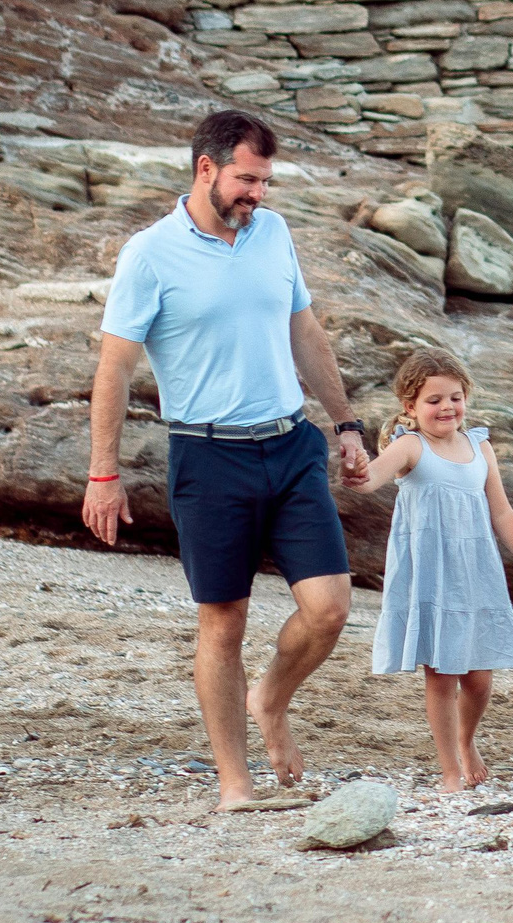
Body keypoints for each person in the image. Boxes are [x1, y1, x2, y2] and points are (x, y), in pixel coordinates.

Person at [79, 109, 374, 809]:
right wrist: (103, 471)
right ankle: (235, 785)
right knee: (224, 620)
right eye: (247, 179)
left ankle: (269, 696)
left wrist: (346, 423)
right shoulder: (149, 253)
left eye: (266, 181)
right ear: (205, 168)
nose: (258, 195)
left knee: (329, 608)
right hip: (207, 456)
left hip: (290, 443)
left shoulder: (272, 233)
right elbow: (115, 367)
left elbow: (305, 330)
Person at [351, 347, 513, 792]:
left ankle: (466, 741)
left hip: (475, 572)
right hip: (432, 573)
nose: (447, 408)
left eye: (455, 397)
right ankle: (448, 770)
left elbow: (502, 512)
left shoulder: (479, 446)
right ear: (410, 407)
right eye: (434, 400)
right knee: (441, 675)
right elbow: (371, 480)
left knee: (479, 679)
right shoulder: (410, 446)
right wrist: (357, 469)